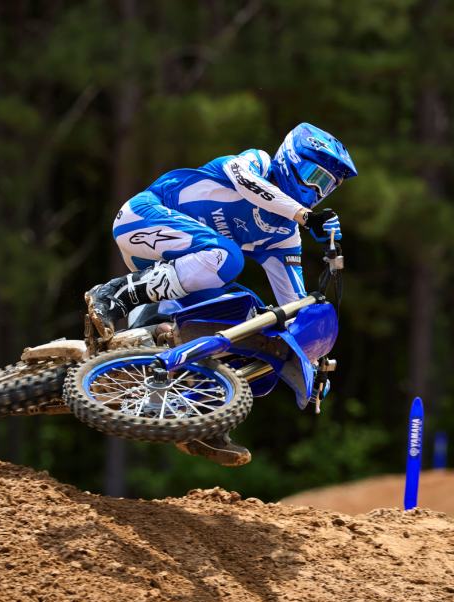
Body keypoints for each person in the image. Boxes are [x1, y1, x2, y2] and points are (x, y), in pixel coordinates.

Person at [85, 122, 357, 466]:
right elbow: (249, 186)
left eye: (326, 186)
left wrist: (312, 362)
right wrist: (305, 216)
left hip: (182, 271)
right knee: (228, 257)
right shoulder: (256, 163)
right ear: (289, 158)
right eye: (312, 176)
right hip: (143, 219)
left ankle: (200, 413)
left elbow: (294, 306)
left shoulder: (284, 235)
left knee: (247, 321)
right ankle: (115, 295)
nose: (316, 190)